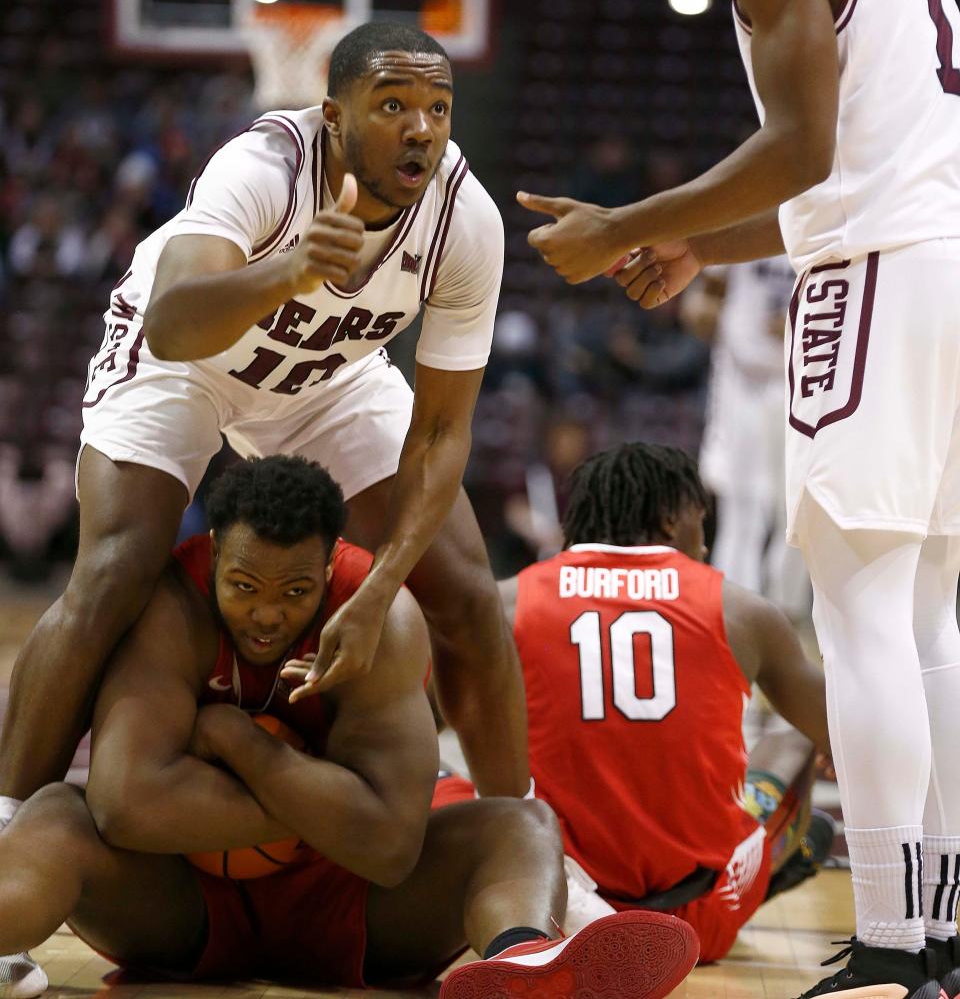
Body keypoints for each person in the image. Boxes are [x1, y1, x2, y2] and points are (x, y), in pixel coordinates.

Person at [518, 0, 960, 996]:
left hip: (884, 283)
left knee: (865, 609)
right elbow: (857, 167)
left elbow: (801, 152)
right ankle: (938, 923)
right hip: (941, 261)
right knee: (930, 616)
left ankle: (892, 938)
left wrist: (618, 227)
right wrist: (705, 245)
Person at [0, 21, 528, 994]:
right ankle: (3, 829)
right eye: (394, 106)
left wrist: (382, 592)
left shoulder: (466, 219)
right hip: (192, 354)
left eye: (439, 109)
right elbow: (172, 316)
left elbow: (443, 436)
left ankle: (531, 879)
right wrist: (290, 270)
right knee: (119, 560)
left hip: (328, 378)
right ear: (335, 116)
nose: (423, 129)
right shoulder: (262, 167)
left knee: (464, 589)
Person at [0, 454, 699, 999]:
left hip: (355, 906)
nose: (267, 616)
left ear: (332, 566)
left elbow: (392, 844)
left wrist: (239, 743)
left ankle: (523, 963)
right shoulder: (172, 606)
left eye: (295, 592)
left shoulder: (382, 621)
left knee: (522, 824)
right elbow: (126, 806)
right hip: (179, 903)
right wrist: (331, 806)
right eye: (243, 588)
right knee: (60, 814)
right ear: (213, 554)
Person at [448, 442, 834, 962]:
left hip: (547, 900)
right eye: (702, 522)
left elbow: (418, 719)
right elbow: (847, 734)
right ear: (672, 521)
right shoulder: (743, 610)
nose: (704, 543)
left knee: (445, 789)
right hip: (702, 916)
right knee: (794, 742)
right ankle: (772, 863)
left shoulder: (509, 599)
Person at [683, 256, 808, 616]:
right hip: (742, 376)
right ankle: (733, 612)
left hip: (805, 379)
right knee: (743, 502)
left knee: (799, 505)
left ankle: (786, 613)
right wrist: (702, 312)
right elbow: (706, 294)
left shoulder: (829, 216)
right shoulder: (745, 213)